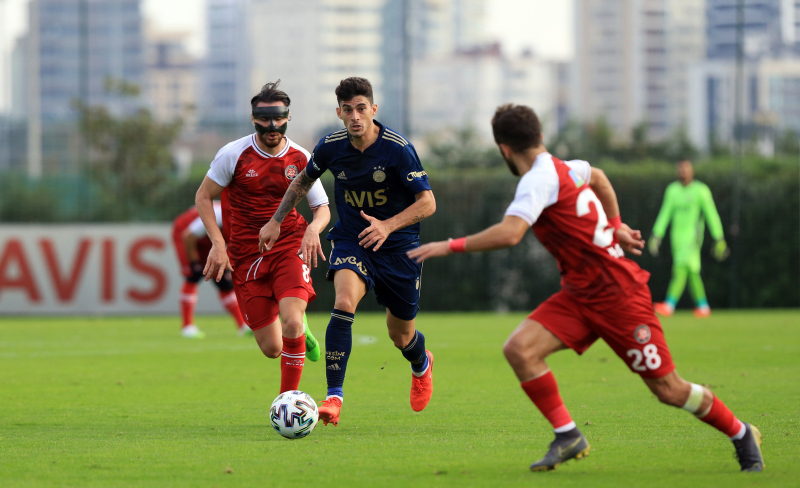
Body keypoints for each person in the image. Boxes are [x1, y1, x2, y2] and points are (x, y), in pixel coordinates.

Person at [408, 104, 763, 473]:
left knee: (669, 389)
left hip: (619, 296)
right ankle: (568, 435)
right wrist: (616, 225)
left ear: (504, 149)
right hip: (580, 295)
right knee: (520, 349)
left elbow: (511, 233)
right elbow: (600, 177)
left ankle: (741, 433)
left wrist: (448, 245)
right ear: (540, 136)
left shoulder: (536, 180)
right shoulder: (566, 167)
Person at [259, 77, 437, 427]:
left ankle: (422, 364)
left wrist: (387, 226)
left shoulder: (398, 149)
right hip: (352, 240)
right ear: (339, 113)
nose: (355, 116)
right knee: (343, 302)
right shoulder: (331, 146)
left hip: (398, 248)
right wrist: (276, 220)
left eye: (361, 108)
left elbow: (428, 203)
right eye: (348, 110)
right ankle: (334, 398)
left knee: (401, 336)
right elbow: (303, 181)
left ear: (373, 109)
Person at [195, 80, 331, 393]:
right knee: (272, 348)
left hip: (289, 245)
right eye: (264, 119)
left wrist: (313, 229)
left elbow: (322, 208)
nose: (272, 126)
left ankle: (287, 401)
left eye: (279, 118)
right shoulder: (233, 154)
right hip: (246, 255)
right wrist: (218, 244)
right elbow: (203, 196)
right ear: (253, 119)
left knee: (291, 322)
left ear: (288, 117)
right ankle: (302, 329)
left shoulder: (301, 157)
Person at [649, 160, 728, 318]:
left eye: (686, 169)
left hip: (693, 238)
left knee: (680, 268)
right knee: (692, 272)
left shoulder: (701, 190)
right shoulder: (672, 190)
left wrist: (719, 237)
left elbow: (711, 214)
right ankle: (703, 306)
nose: (683, 172)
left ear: (692, 171)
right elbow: (665, 213)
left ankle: (669, 305)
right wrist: (657, 234)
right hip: (676, 238)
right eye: (681, 169)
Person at [171, 201, 250, 338]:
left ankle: (242, 325)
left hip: (211, 239)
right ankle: (187, 326)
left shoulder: (245, 220)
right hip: (186, 233)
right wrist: (195, 262)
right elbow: (188, 236)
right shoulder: (217, 215)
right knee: (193, 275)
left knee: (223, 281)